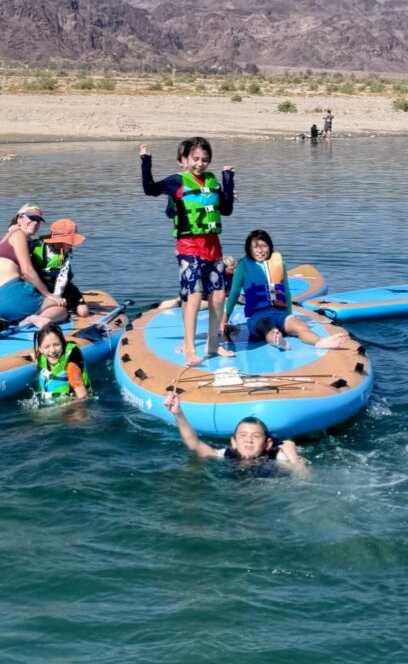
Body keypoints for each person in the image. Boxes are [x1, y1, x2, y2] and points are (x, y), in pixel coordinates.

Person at [140, 137, 236, 366]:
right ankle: (190, 348)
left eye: (205, 159)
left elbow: (228, 209)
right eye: (195, 159)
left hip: (213, 247)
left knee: (219, 295)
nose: (200, 163)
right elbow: (149, 189)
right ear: (183, 160)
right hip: (189, 246)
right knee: (193, 296)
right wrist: (145, 160)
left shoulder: (212, 181)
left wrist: (229, 180)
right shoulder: (176, 181)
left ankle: (213, 344)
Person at [221, 229, 345, 351]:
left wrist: (289, 313)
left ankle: (319, 342)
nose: (260, 250)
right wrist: (224, 321)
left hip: (279, 312)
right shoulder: (244, 265)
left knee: (300, 326)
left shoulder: (278, 263)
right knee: (269, 329)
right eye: (255, 247)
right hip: (257, 316)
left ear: (270, 247)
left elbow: (285, 290)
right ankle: (278, 341)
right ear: (249, 249)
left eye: (264, 246)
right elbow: (234, 294)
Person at [163, 391, 307, 475]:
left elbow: (304, 479)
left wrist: (293, 458)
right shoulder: (227, 454)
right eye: (243, 435)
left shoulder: (278, 457)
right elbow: (194, 444)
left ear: (267, 443)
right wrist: (178, 414)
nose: (248, 440)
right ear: (234, 442)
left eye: (256, 436)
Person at [0, 204, 68, 327]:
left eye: (38, 220)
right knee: (61, 307)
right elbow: (27, 271)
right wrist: (48, 295)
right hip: (10, 298)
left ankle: (19, 316)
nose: (35, 222)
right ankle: (30, 320)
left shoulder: (5, 240)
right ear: (19, 219)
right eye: (31, 218)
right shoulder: (19, 235)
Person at [30, 218, 90, 318]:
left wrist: (57, 295)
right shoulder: (35, 247)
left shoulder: (66, 251)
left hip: (60, 285)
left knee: (83, 312)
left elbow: (63, 277)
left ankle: (65, 307)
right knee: (56, 307)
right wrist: (50, 297)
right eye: (69, 241)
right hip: (40, 286)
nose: (71, 245)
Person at [34, 323, 91, 403]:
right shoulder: (42, 358)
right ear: (40, 350)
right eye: (47, 347)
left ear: (63, 344)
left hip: (72, 411)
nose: (52, 350)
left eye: (56, 345)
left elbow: (83, 397)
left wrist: (59, 409)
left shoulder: (71, 367)